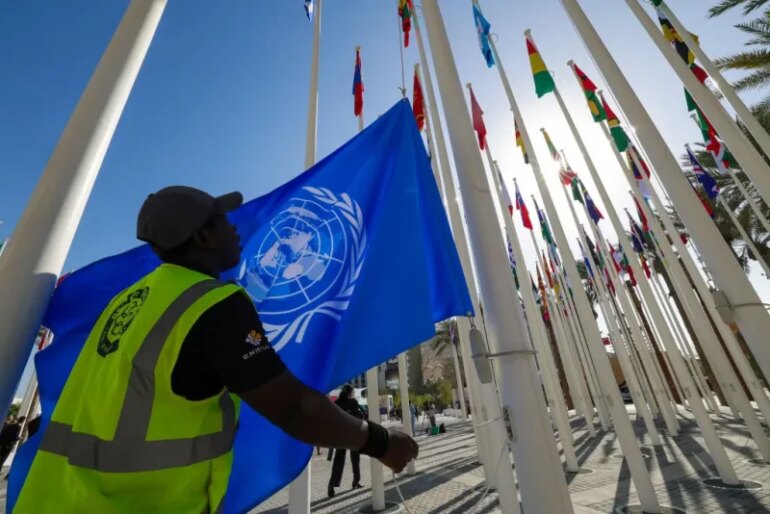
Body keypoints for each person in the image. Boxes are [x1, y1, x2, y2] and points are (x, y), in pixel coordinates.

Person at [14, 186, 418, 513]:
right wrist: (381, 442)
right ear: (203, 236)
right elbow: (295, 408)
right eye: (223, 219)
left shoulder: (127, 301)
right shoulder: (213, 303)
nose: (235, 227)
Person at [327, 384, 365, 497]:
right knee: (355, 459)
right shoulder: (353, 402)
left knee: (339, 460)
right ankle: (356, 481)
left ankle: (332, 484)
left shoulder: (337, 403)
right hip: (352, 435)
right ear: (350, 393)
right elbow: (360, 416)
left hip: (340, 436)